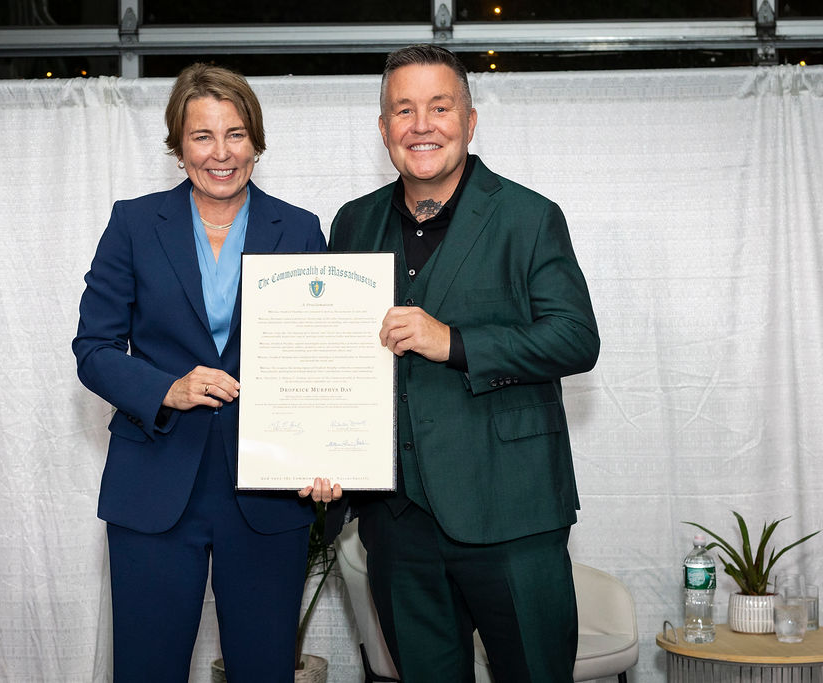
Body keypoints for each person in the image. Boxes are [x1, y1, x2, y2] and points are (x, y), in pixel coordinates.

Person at [328, 44, 600, 682]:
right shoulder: (353, 224)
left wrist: (456, 342)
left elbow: (575, 338)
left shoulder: (529, 217)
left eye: (439, 107)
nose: (421, 125)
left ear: (470, 121)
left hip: (514, 515)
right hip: (399, 526)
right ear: (384, 129)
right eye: (403, 110)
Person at [72, 63, 339, 683]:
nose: (221, 154)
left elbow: (321, 354)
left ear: (257, 142)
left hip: (269, 488)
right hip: (156, 482)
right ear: (177, 145)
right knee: (147, 669)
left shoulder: (299, 230)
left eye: (236, 134)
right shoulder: (133, 224)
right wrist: (166, 387)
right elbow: (94, 347)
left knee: (265, 670)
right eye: (202, 137)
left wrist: (329, 452)